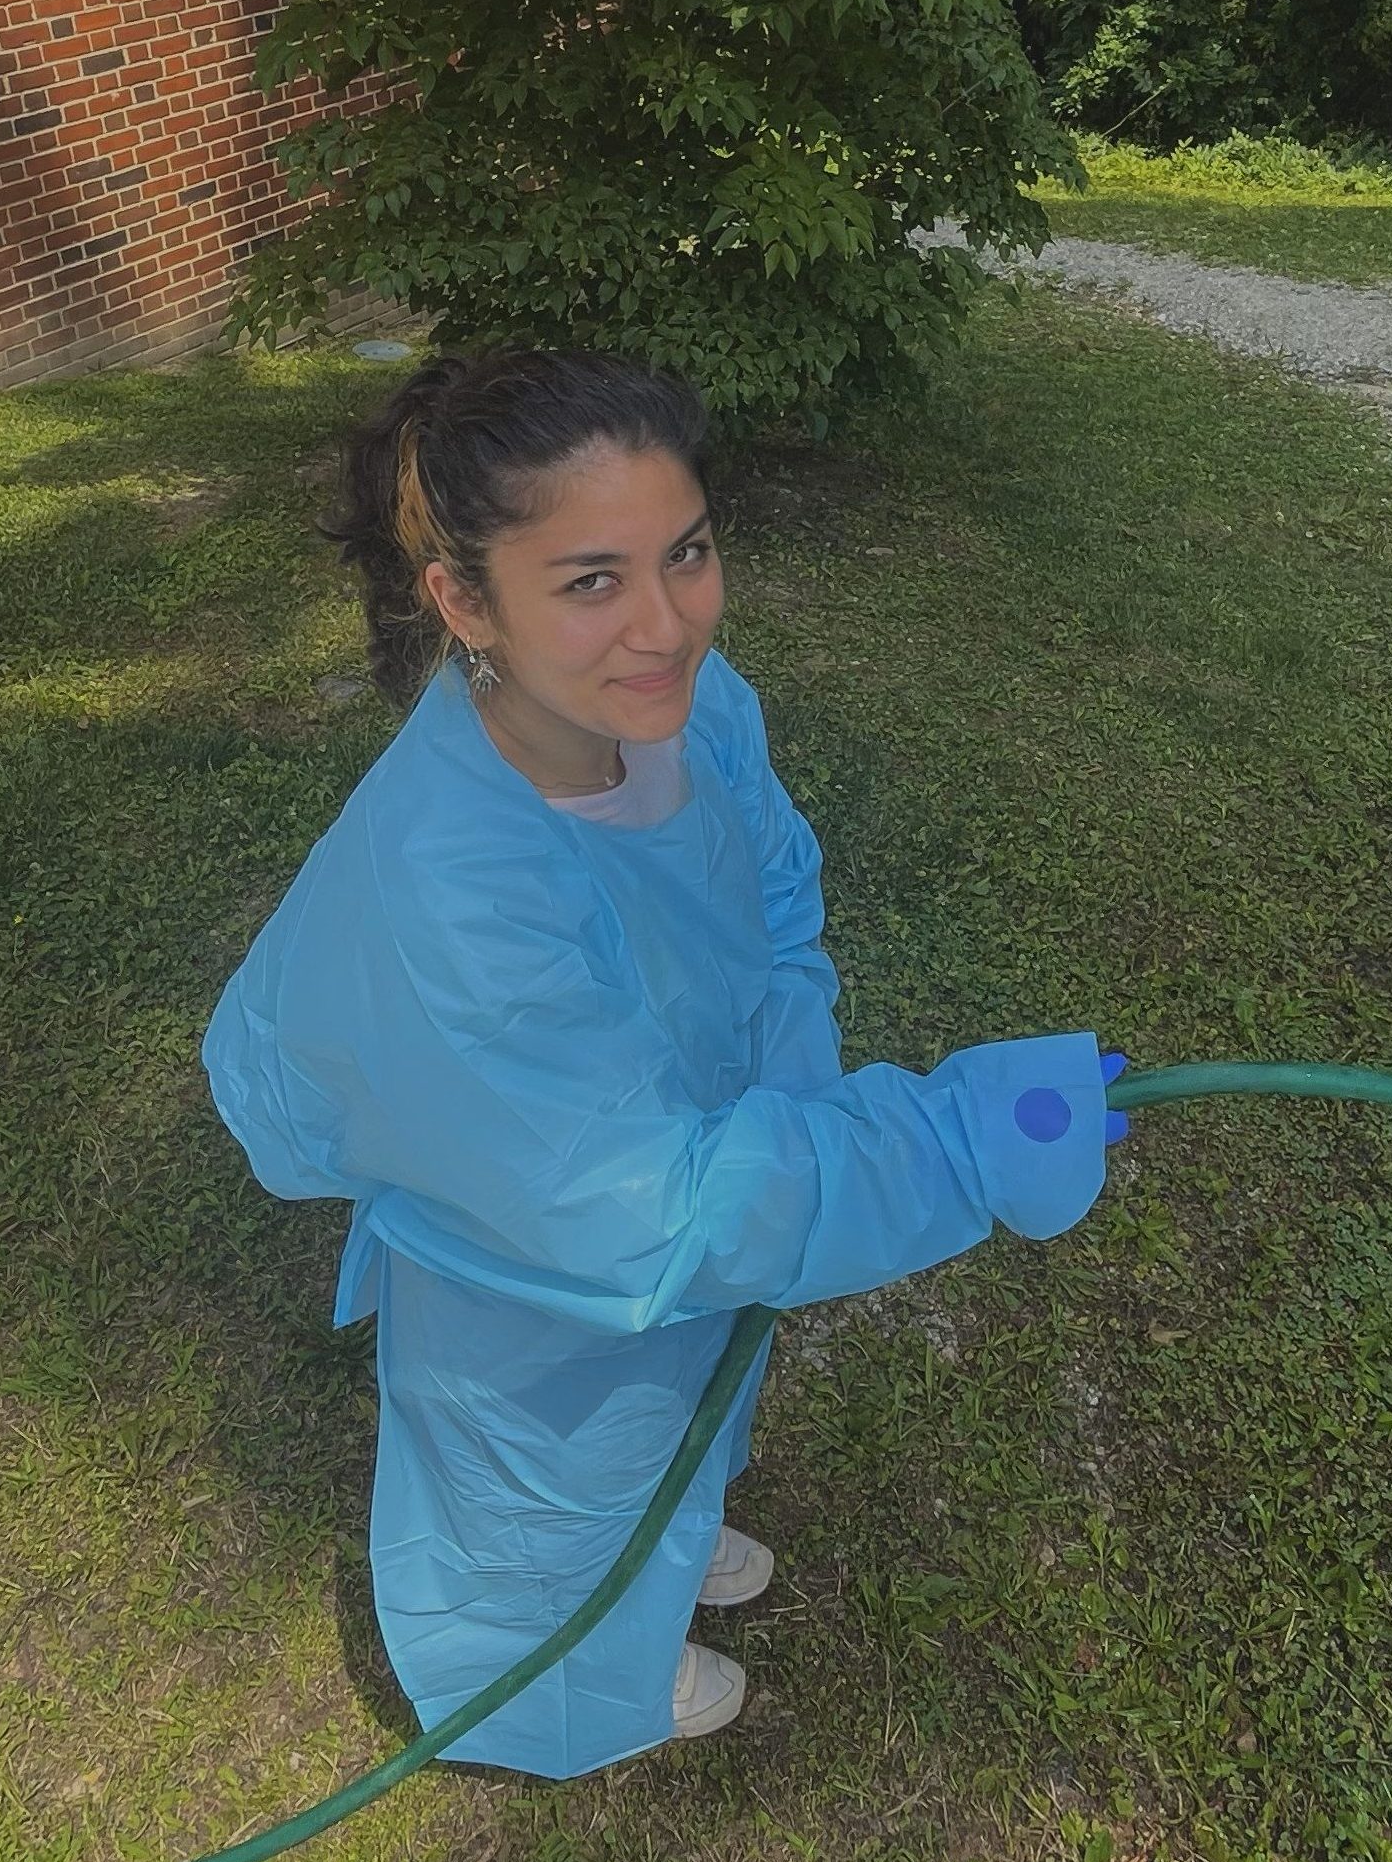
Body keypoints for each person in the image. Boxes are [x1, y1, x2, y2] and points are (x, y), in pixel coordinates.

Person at [201, 348, 1128, 1781]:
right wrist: (946, 1148)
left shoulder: (680, 705)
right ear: (464, 602)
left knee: (677, 1418)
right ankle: (561, 1687)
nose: (664, 624)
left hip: (702, 1169)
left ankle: (667, 1541)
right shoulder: (452, 892)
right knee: (556, 1494)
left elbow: (764, 886)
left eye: (684, 554)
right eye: (589, 581)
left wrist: (792, 1066)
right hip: (550, 1275)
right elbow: (642, 1212)